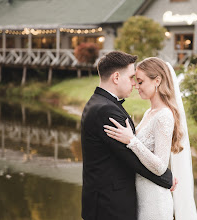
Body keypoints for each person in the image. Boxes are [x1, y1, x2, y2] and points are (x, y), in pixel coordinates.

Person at [80, 51, 176, 220]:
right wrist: (167, 178)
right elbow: (130, 157)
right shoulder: (106, 110)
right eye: (132, 78)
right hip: (109, 206)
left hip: (117, 202)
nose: (134, 84)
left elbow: (133, 152)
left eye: (138, 80)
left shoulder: (97, 102)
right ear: (116, 77)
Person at [104, 57, 197, 220]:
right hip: (142, 195)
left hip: (154, 200)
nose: (136, 87)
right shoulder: (150, 113)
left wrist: (132, 141)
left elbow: (160, 166)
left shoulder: (164, 116)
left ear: (157, 81)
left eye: (140, 82)